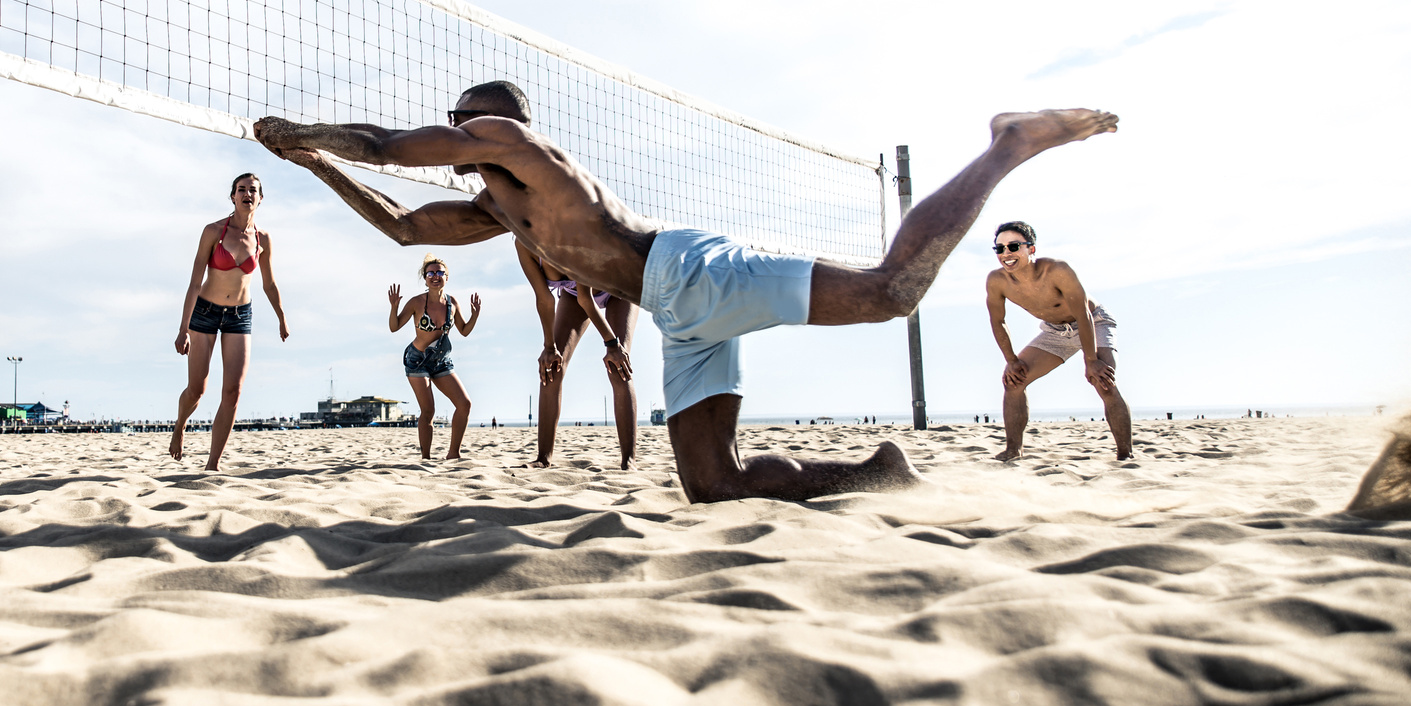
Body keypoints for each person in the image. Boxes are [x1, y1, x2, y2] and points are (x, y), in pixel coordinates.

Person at [252, 81, 1117, 503]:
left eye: (462, 120)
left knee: (892, 291)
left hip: (687, 271)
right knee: (712, 485)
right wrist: (313, 160)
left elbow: (391, 144)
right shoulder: (496, 208)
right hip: (678, 307)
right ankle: (874, 473)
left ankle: (1005, 145)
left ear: (490, 122)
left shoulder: (512, 144)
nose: (456, 131)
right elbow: (403, 225)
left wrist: (314, 129)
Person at [984, 221, 1132, 461]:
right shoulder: (996, 281)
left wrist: (1091, 359)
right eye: (999, 249)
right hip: (1055, 331)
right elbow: (998, 321)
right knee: (1013, 382)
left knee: (1104, 381)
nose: (1006, 254)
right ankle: (1013, 451)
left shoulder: (1057, 270)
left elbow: (1083, 313)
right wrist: (1011, 360)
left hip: (1093, 321)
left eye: (1013, 246)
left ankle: (1125, 455)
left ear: (1031, 249)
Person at [171, 173, 289, 470]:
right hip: (206, 312)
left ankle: (213, 464)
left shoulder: (263, 239)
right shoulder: (213, 231)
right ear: (232, 196)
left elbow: (270, 284)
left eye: (253, 190)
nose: (247, 194)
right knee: (197, 389)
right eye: (241, 189)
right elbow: (195, 283)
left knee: (233, 391)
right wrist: (183, 329)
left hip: (240, 315)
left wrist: (281, 318)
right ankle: (180, 425)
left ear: (260, 199)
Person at [515, 243, 637, 469]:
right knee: (552, 367)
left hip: (619, 285)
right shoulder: (523, 243)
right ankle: (543, 458)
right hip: (574, 296)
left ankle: (629, 461)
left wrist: (612, 345)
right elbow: (544, 299)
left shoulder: (569, 231)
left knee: (619, 365)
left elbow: (587, 298)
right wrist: (549, 347)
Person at [387, 255, 481, 460]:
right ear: (425, 277)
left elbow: (464, 330)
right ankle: (426, 458)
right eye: (431, 273)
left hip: (441, 360)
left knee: (464, 404)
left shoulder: (452, 302)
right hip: (417, 359)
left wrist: (474, 316)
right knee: (428, 410)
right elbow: (394, 328)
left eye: (440, 273)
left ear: (447, 277)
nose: (435, 276)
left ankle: (453, 453)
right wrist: (393, 307)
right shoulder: (416, 302)